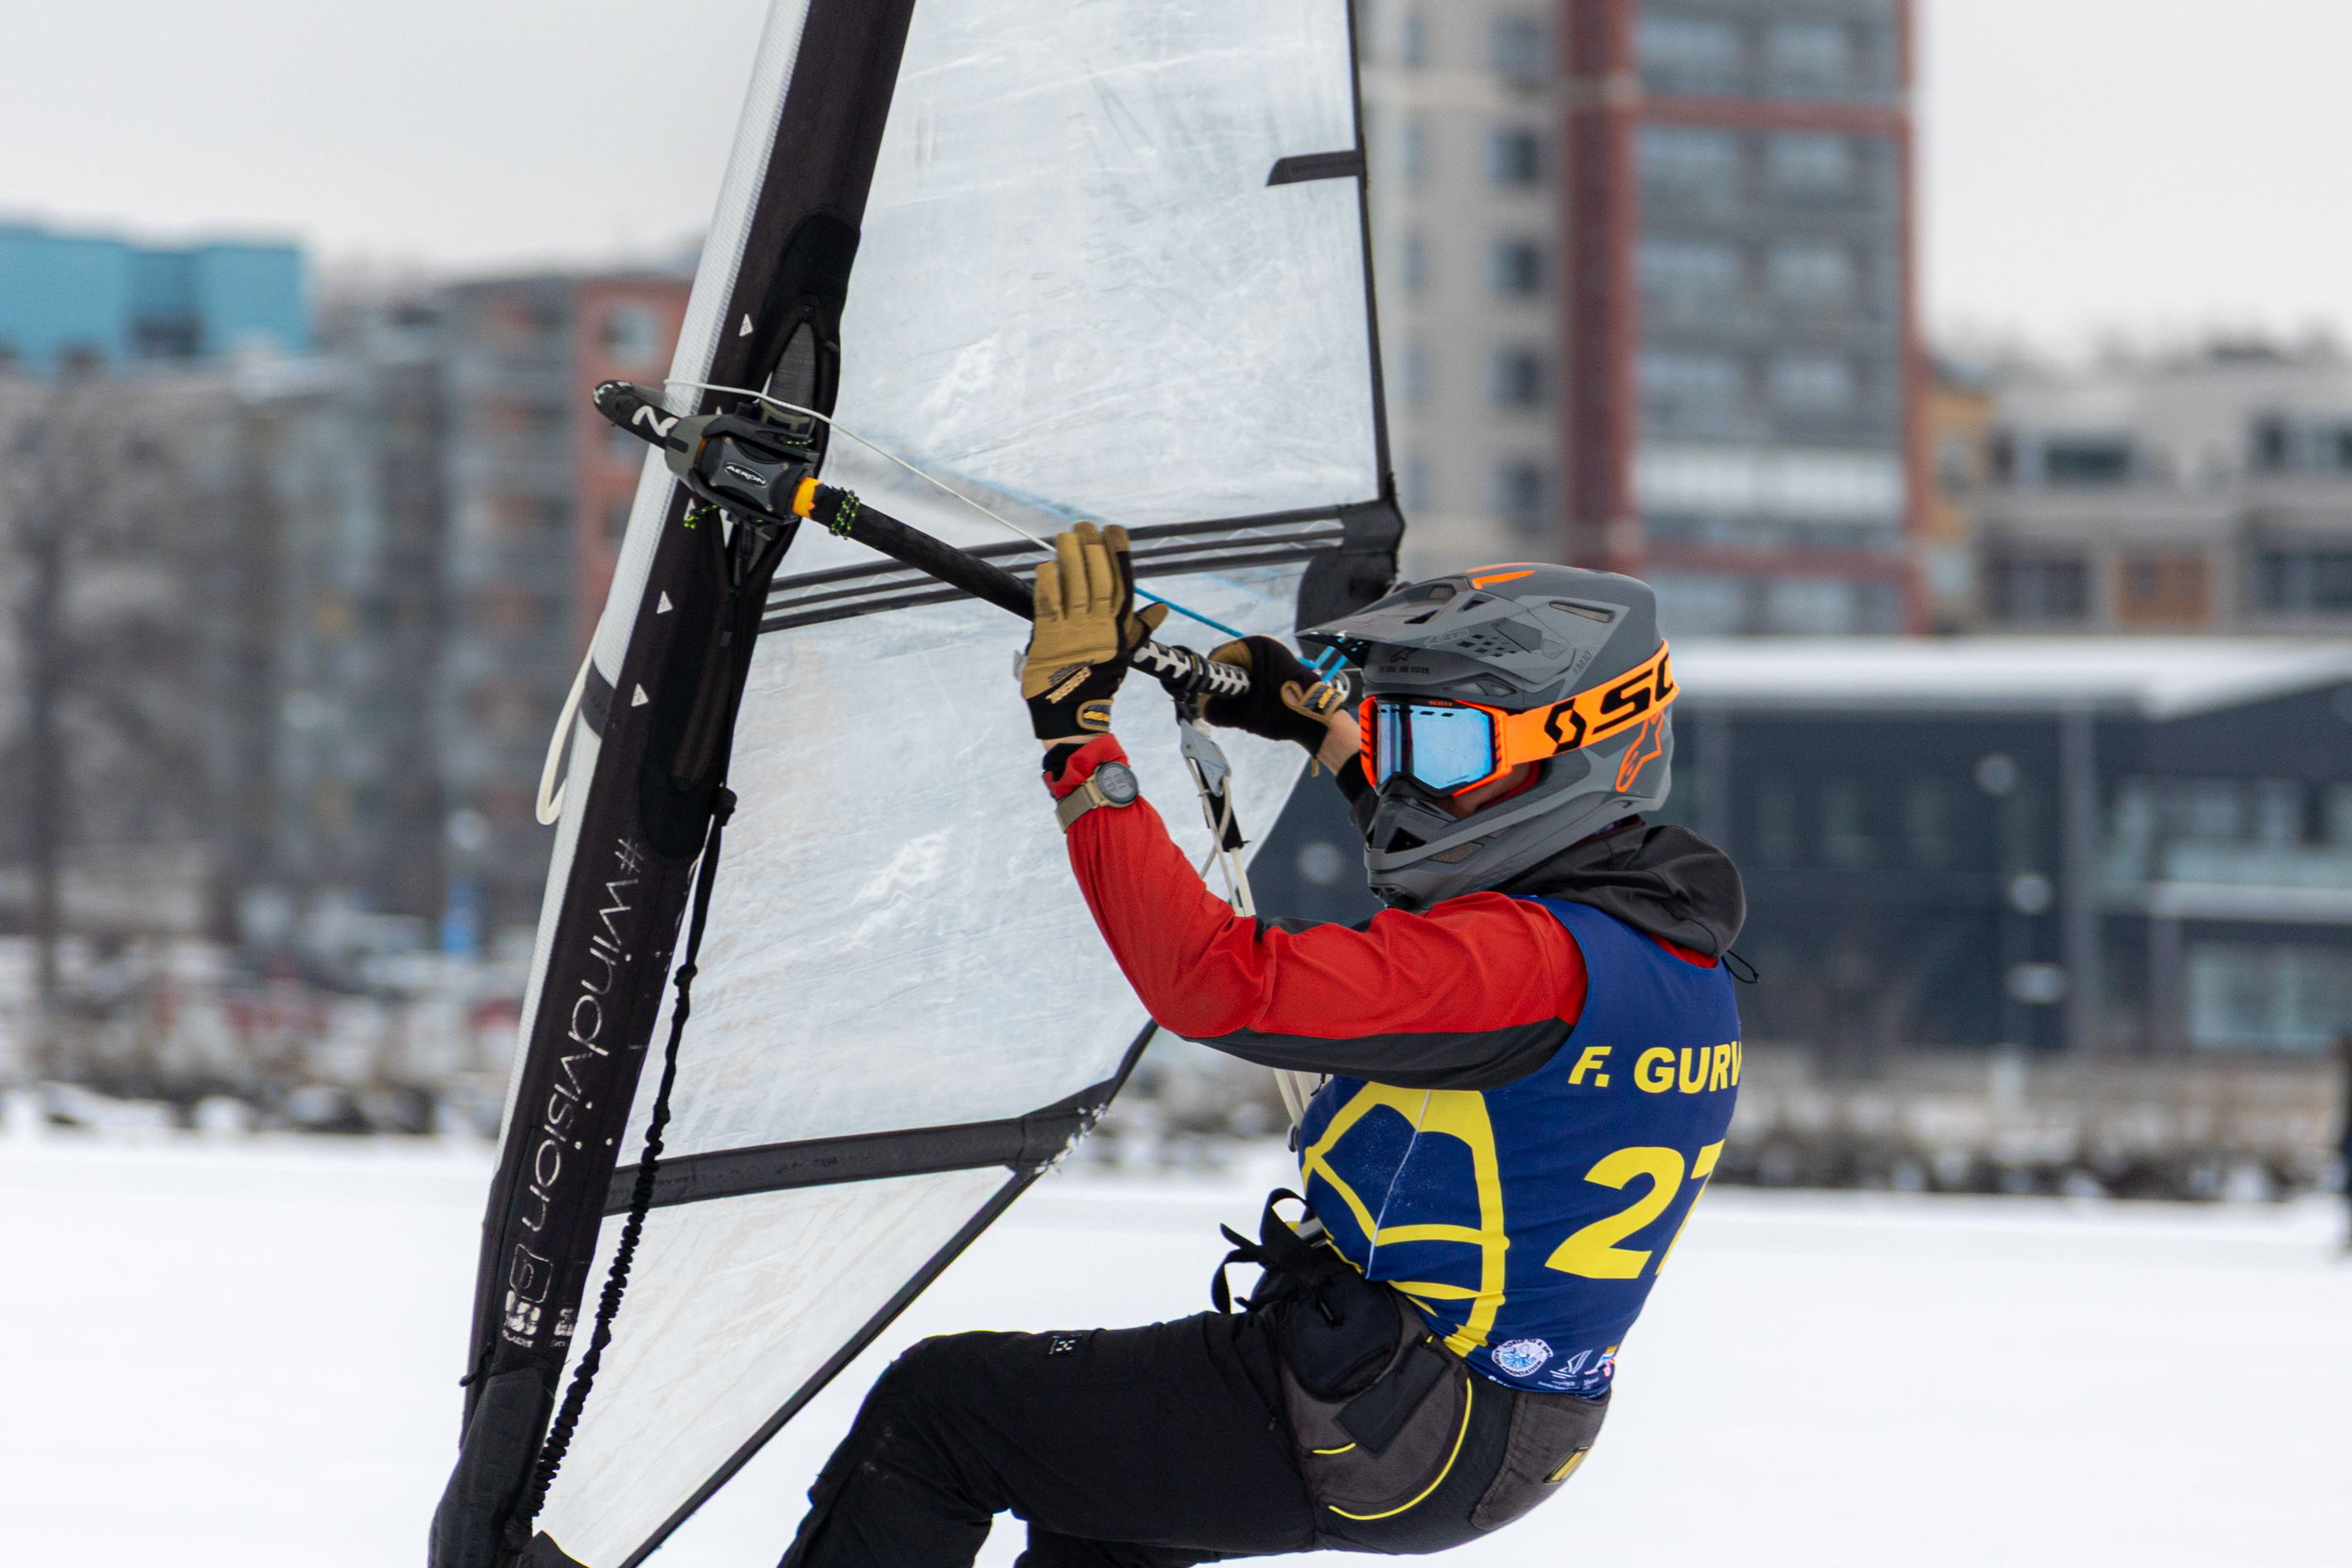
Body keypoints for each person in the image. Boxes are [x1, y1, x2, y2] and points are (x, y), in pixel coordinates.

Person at [778, 526, 1746, 1568]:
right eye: (1396, 738)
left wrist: (1078, 742)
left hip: (1386, 1420)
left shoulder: (1523, 963)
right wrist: (1316, 728)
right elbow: (1458, 838)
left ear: (1590, 747)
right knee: (1098, 1512)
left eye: (1445, 748)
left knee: (941, 1410)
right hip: (1486, 1429)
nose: (1407, 783)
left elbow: (1214, 983)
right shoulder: (1656, 944)